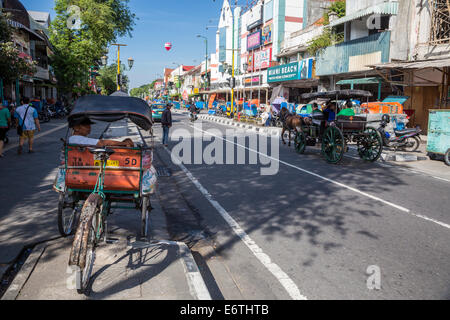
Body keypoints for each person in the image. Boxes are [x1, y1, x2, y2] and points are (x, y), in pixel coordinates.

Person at [68, 117, 134, 147]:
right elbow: (101, 143)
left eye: (89, 125)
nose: (89, 127)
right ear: (76, 127)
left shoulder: (78, 139)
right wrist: (124, 144)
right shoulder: (76, 139)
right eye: (86, 125)